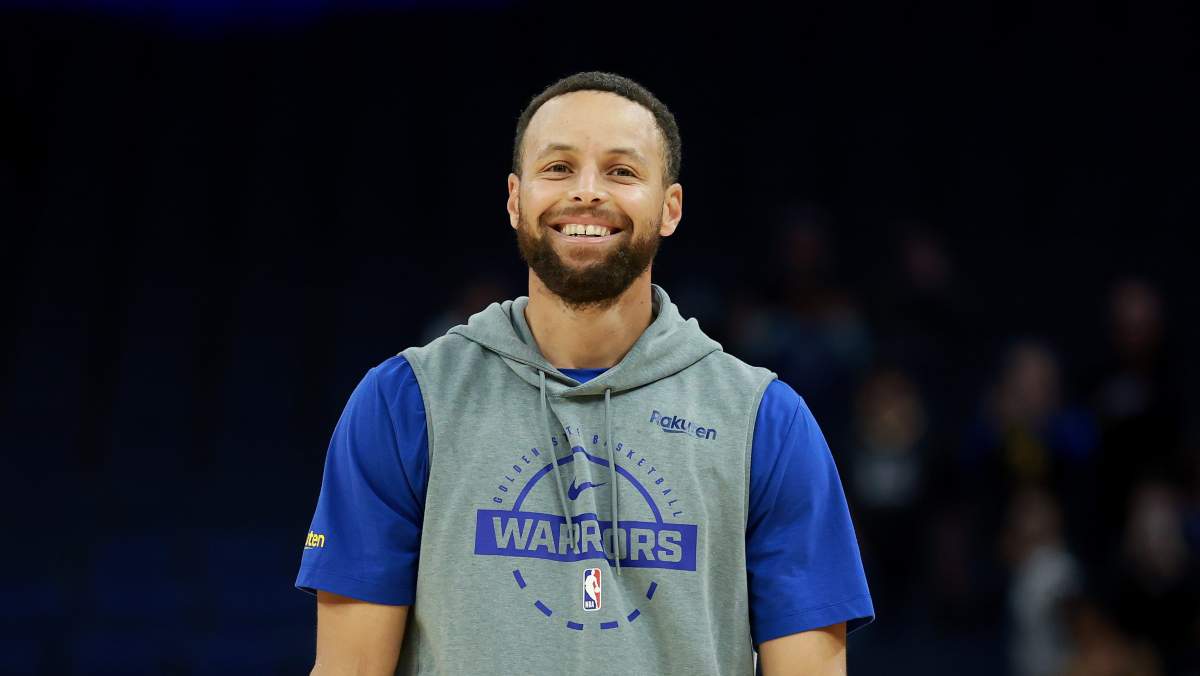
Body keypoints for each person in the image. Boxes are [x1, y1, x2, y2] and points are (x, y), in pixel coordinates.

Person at [295, 71, 874, 675]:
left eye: (621, 171)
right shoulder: (405, 401)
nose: (587, 192)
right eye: (558, 167)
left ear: (670, 207)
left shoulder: (765, 421)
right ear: (515, 199)